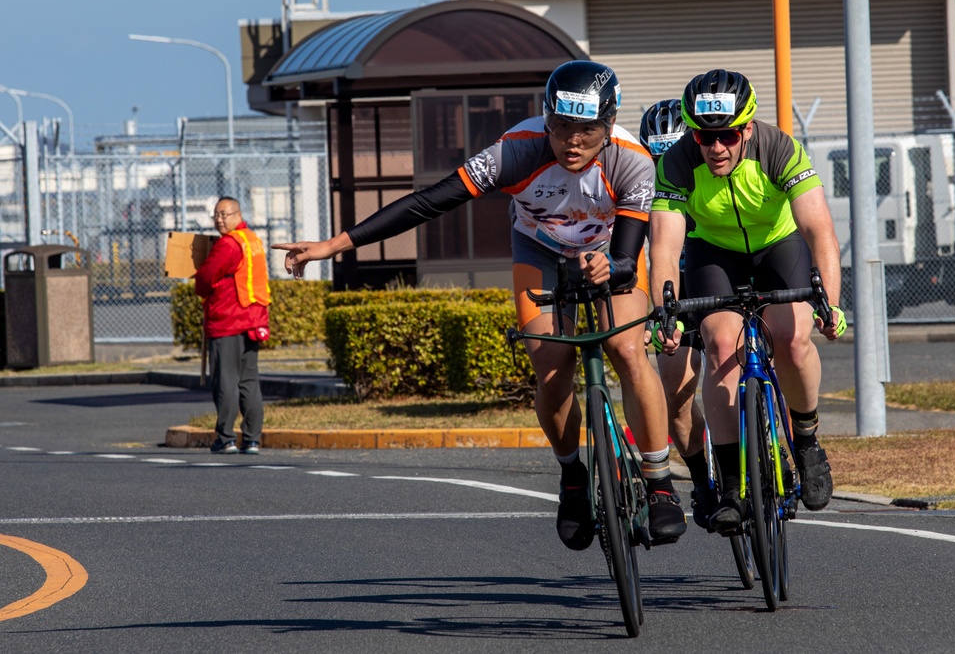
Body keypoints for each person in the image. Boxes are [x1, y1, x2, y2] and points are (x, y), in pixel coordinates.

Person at [273, 60, 687, 549]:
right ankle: (572, 476)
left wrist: (612, 268)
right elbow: (430, 201)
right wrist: (335, 245)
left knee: (626, 348)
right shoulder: (516, 150)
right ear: (545, 118)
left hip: (608, 252)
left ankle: (659, 480)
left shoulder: (632, 160)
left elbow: (627, 255)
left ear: (610, 124)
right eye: (560, 126)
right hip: (540, 250)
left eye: (588, 129)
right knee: (552, 368)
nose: (571, 141)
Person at [649, 69, 845, 533]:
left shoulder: (779, 149)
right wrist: (666, 314)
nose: (715, 147)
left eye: (728, 136)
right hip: (714, 251)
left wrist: (830, 303)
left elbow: (820, 230)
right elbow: (663, 248)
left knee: (792, 336)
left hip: (777, 245)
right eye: (704, 137)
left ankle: (807, 442)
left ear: (748, 129)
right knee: (719, 347)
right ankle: (734, 485)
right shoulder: (677, 163)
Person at [638, 99, 717, 531]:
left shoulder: (710, 170)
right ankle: (704, 481)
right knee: (676, 393)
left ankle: (768, 441)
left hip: (719, 275)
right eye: (656, 157)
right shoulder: (642, 186)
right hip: (674, 291)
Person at [195, 196, 271, 455]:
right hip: (252, 320)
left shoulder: (228, 244)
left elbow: (206, 277)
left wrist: (200, 285)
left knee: (225, 381)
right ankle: (252, 439)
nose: (219, 219)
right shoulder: (252, 240)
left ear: (237, 214)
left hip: (228, 320)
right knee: (248, 381)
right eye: (216, 215)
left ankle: (226, 438)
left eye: (224, 214)